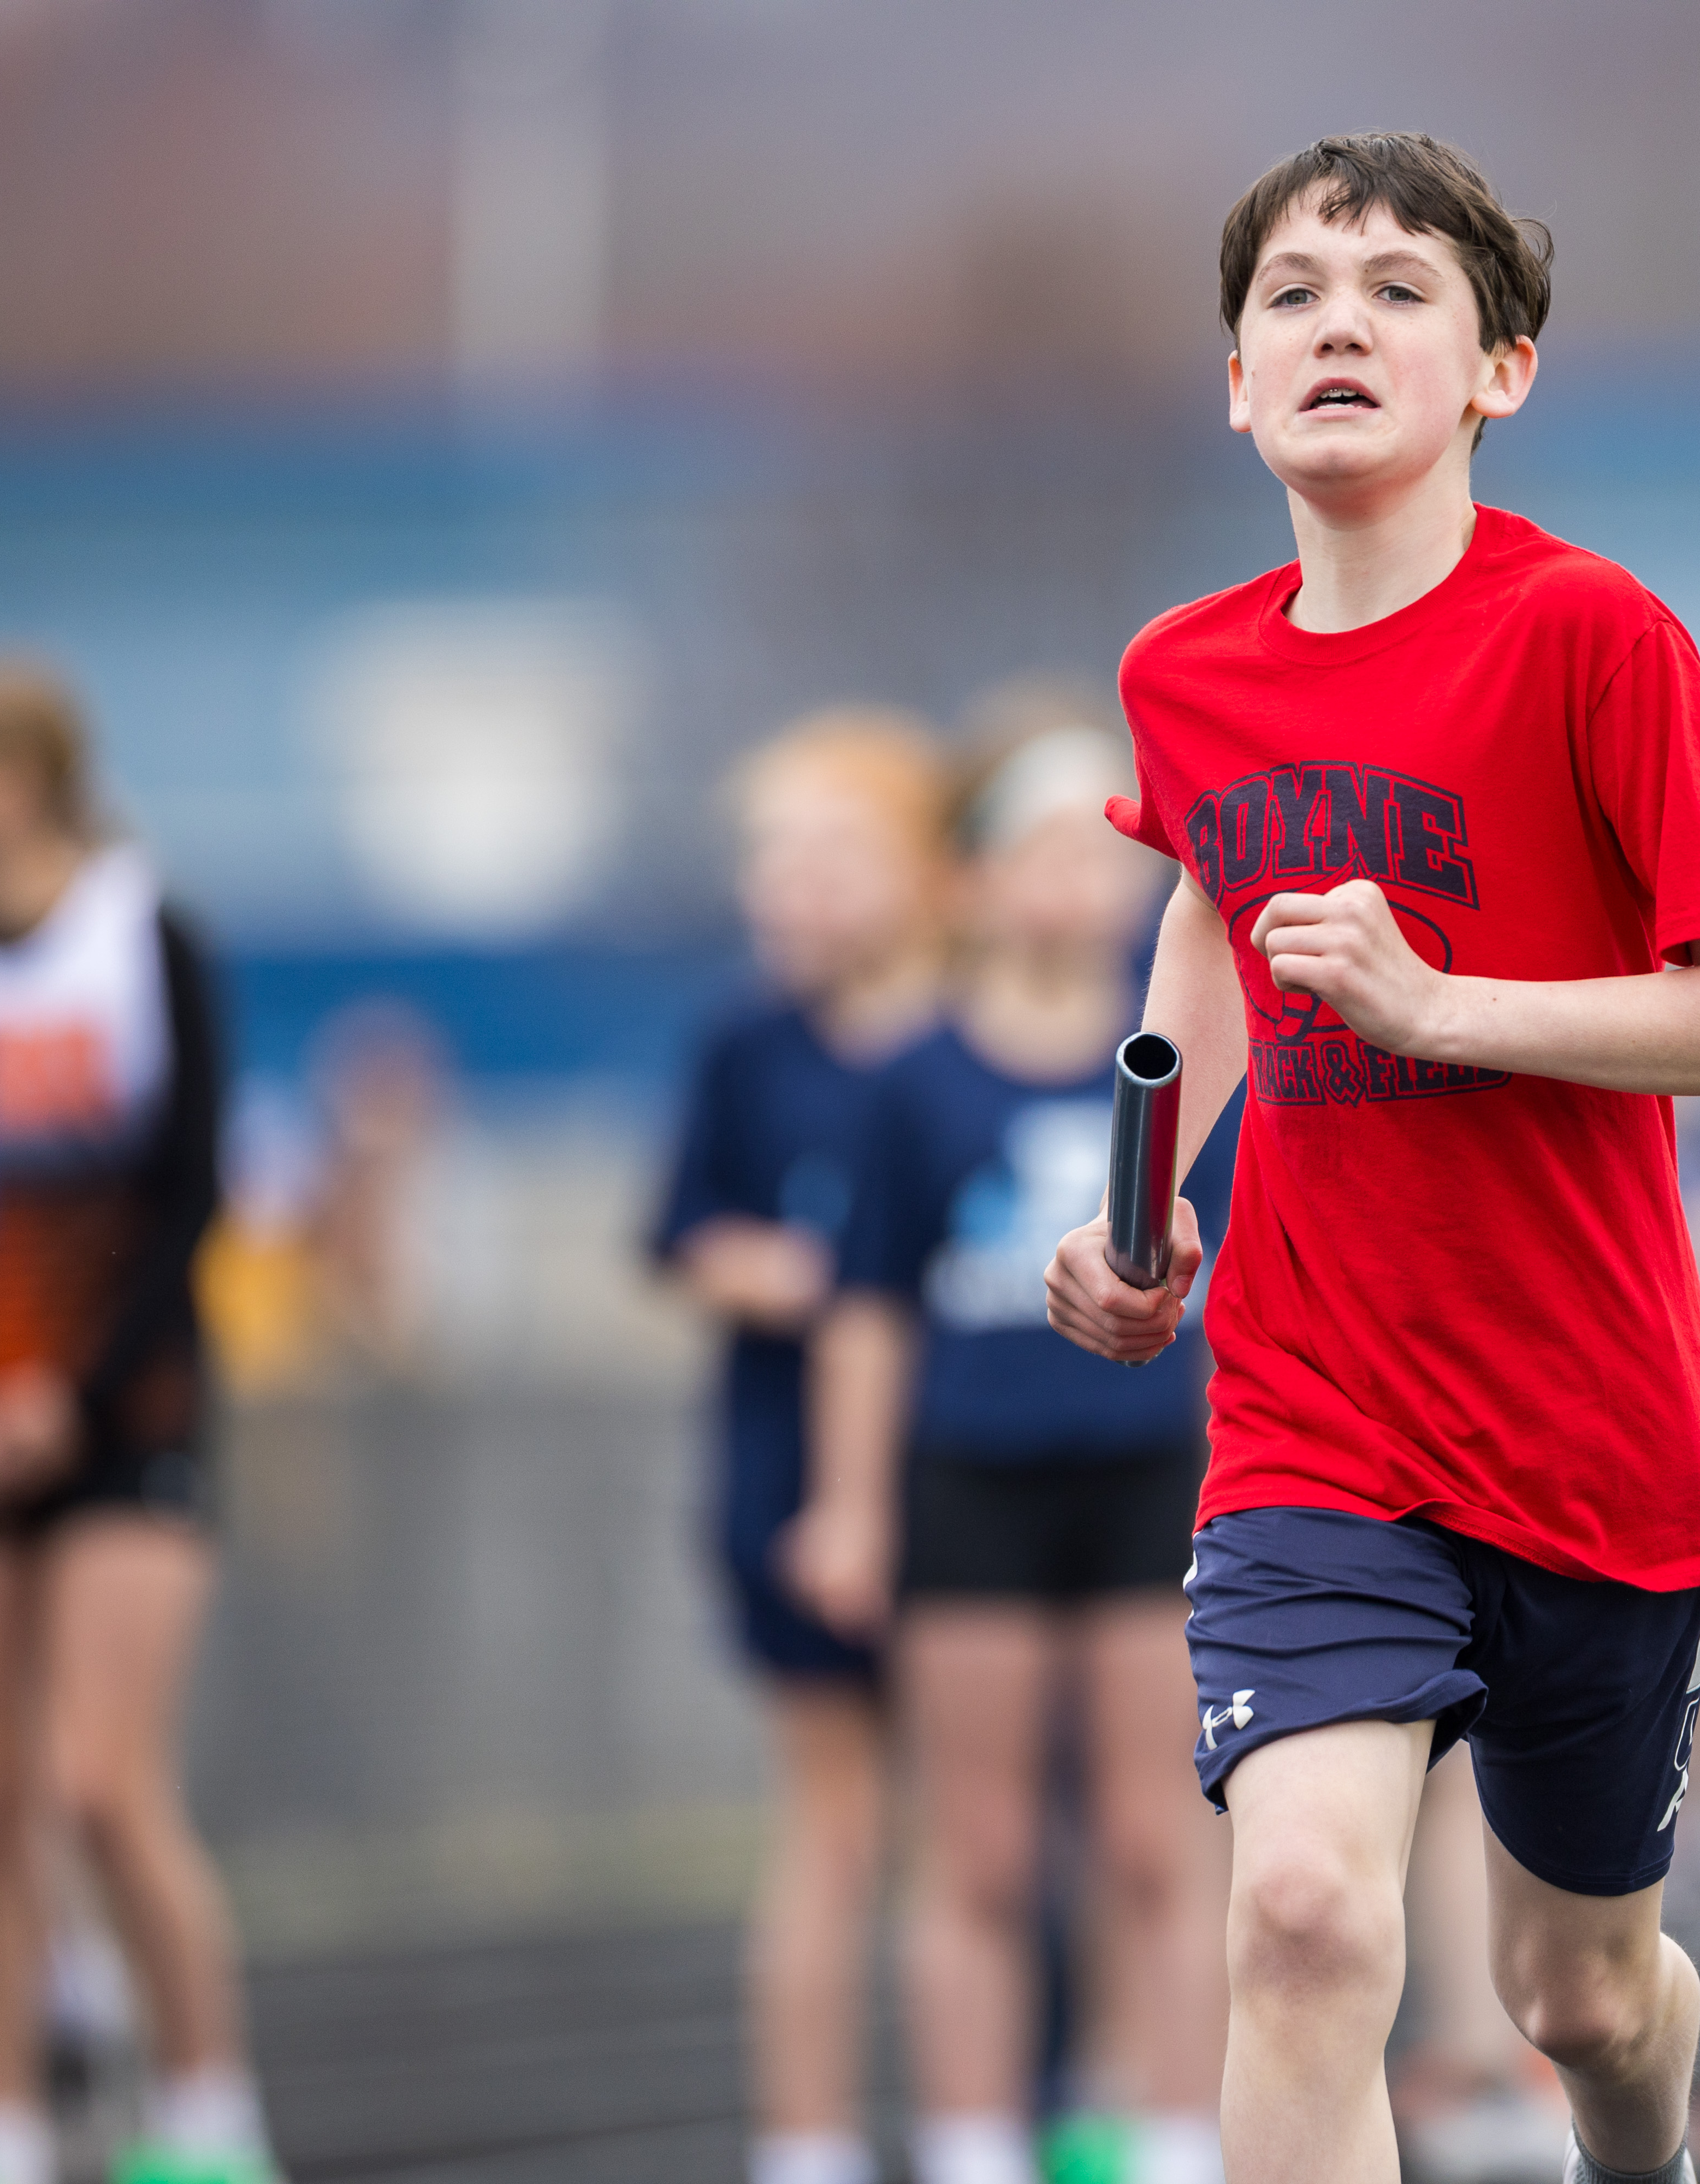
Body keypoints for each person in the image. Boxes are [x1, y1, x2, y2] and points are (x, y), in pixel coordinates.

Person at [1041, 133, 1700, 2184]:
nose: (1342, 324)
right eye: (1294, 296)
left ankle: (1640, 2149)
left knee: (1579, 1999)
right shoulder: (1182, 672)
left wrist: (1446, 1010)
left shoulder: (1592, 636)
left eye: (1400, 291)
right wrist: (1147, 1198)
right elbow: (1214, 900)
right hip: (1316, 1420)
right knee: (1306, 1917)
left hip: (1591, 1432)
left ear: (1502, 372)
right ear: (1237, 382)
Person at [817, 721, 1234, 2184]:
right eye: (1040, 849)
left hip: (1150, 1477)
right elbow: (868, 1309)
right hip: (975, 1480)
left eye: (1097, 851)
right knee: (980, 1849)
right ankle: (974, 2141)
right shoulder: (916, 1078)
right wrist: (850, 1505)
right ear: (975, 878)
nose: (1074, 879)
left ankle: (1179, 2137)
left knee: (1155, 1837)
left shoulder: (1185, 1056)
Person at [0, 660, 264, 2184]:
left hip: (124, 1410)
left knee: (101, 1783)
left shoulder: (143, 935)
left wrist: (71, 1393)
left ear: (9, 779)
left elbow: (192, 1193)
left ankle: (209, 2111)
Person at [650, 710, 951, 2184]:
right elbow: (681, 1231)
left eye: (827, 853)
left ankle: (1010, 2116)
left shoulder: (979, 1035)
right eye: (771, 858)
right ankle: (811, 2139)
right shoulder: (746, 1041)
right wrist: (809, 1276)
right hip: (788, 1462)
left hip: (980, 1461)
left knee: (993, 1829)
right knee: (834, 1821)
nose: (787, 888)